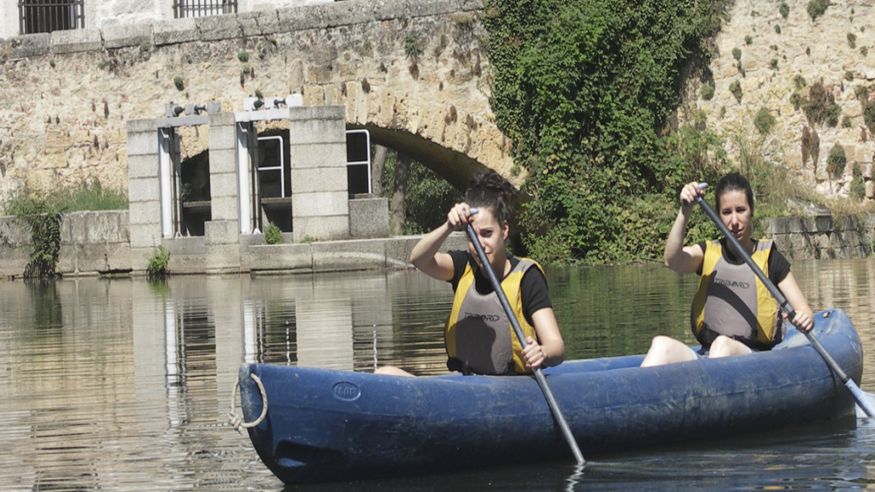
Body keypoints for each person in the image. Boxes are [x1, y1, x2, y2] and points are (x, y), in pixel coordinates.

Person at [376, 171, 565, 376]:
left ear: (504, 230)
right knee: (385, 373)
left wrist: (542, 352)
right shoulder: (463, 266)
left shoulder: (527, 278)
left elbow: (557, 348)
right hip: (466, 385)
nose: (479, 245)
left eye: (487, 234)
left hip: (513, 387)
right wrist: (449, 226)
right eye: (472, 237)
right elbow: (419, 259)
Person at [641, 172, 814, 367]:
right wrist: (685, 211)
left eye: (740, 210)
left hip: (753, 357)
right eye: (726, 212)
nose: (734, 221)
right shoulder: (707, 252)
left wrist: (804, 318)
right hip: (709, 356)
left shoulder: (771, 258)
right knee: (661, 345)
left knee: (722, 346)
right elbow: (672, 260)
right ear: (718, 214)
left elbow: (804, 310)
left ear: (751, 211)